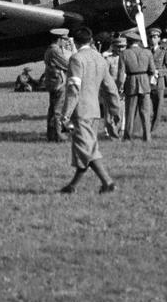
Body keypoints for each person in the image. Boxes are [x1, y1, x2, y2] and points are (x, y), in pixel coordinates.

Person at [58, 25, 119, 194]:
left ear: (75, 42)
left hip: (81, 112)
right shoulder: (100, 58)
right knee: (85, 148)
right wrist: (115, 110)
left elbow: (73, 89)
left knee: (87, 150)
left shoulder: (76, 59)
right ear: (91, 40)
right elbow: (110, 87)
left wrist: (65, 115)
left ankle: (108, 183)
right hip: (94, 112)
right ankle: (72, 186)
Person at [118, 32, 156, 142]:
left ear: (128, 42)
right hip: (144, 82)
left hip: (131, 83)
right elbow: (152, 70)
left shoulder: (124, 53)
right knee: (145, 112)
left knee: (130, 112)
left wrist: (120, 87)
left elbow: (121, 74)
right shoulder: (147, 52)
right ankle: (147, 136)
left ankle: (127, 136)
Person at [43, 27, 75, 142]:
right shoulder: (55, 51)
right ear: (59, 39)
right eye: (64, 39)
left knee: (52, 110)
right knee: (58, 111)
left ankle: (51, 135)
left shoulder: (51, 49)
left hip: (53, 82)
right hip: (59, 83)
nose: (66, 41)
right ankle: (59, 136)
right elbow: (67, 64)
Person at [148, 28, 167, 133]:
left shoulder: (164, 51)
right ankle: (145, 126)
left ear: (158, 38)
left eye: (155, 37)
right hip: (147, 81)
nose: (152, 39)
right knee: (146, 105)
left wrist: (159, 72)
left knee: (157, 106)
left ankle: (153, 129)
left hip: (159, 82)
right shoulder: (146, 51)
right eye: (151, 37)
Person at [101, 36, 126, 138]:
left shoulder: (126, 58)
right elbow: (106, 75)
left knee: (121, 111)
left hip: (123, 89)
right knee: (108, 111)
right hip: (111, 89)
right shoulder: (109, 59)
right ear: (114, 47)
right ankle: (108, 130)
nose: (120, 49)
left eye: (123, 47)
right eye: (118, 47)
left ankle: (120, 130)